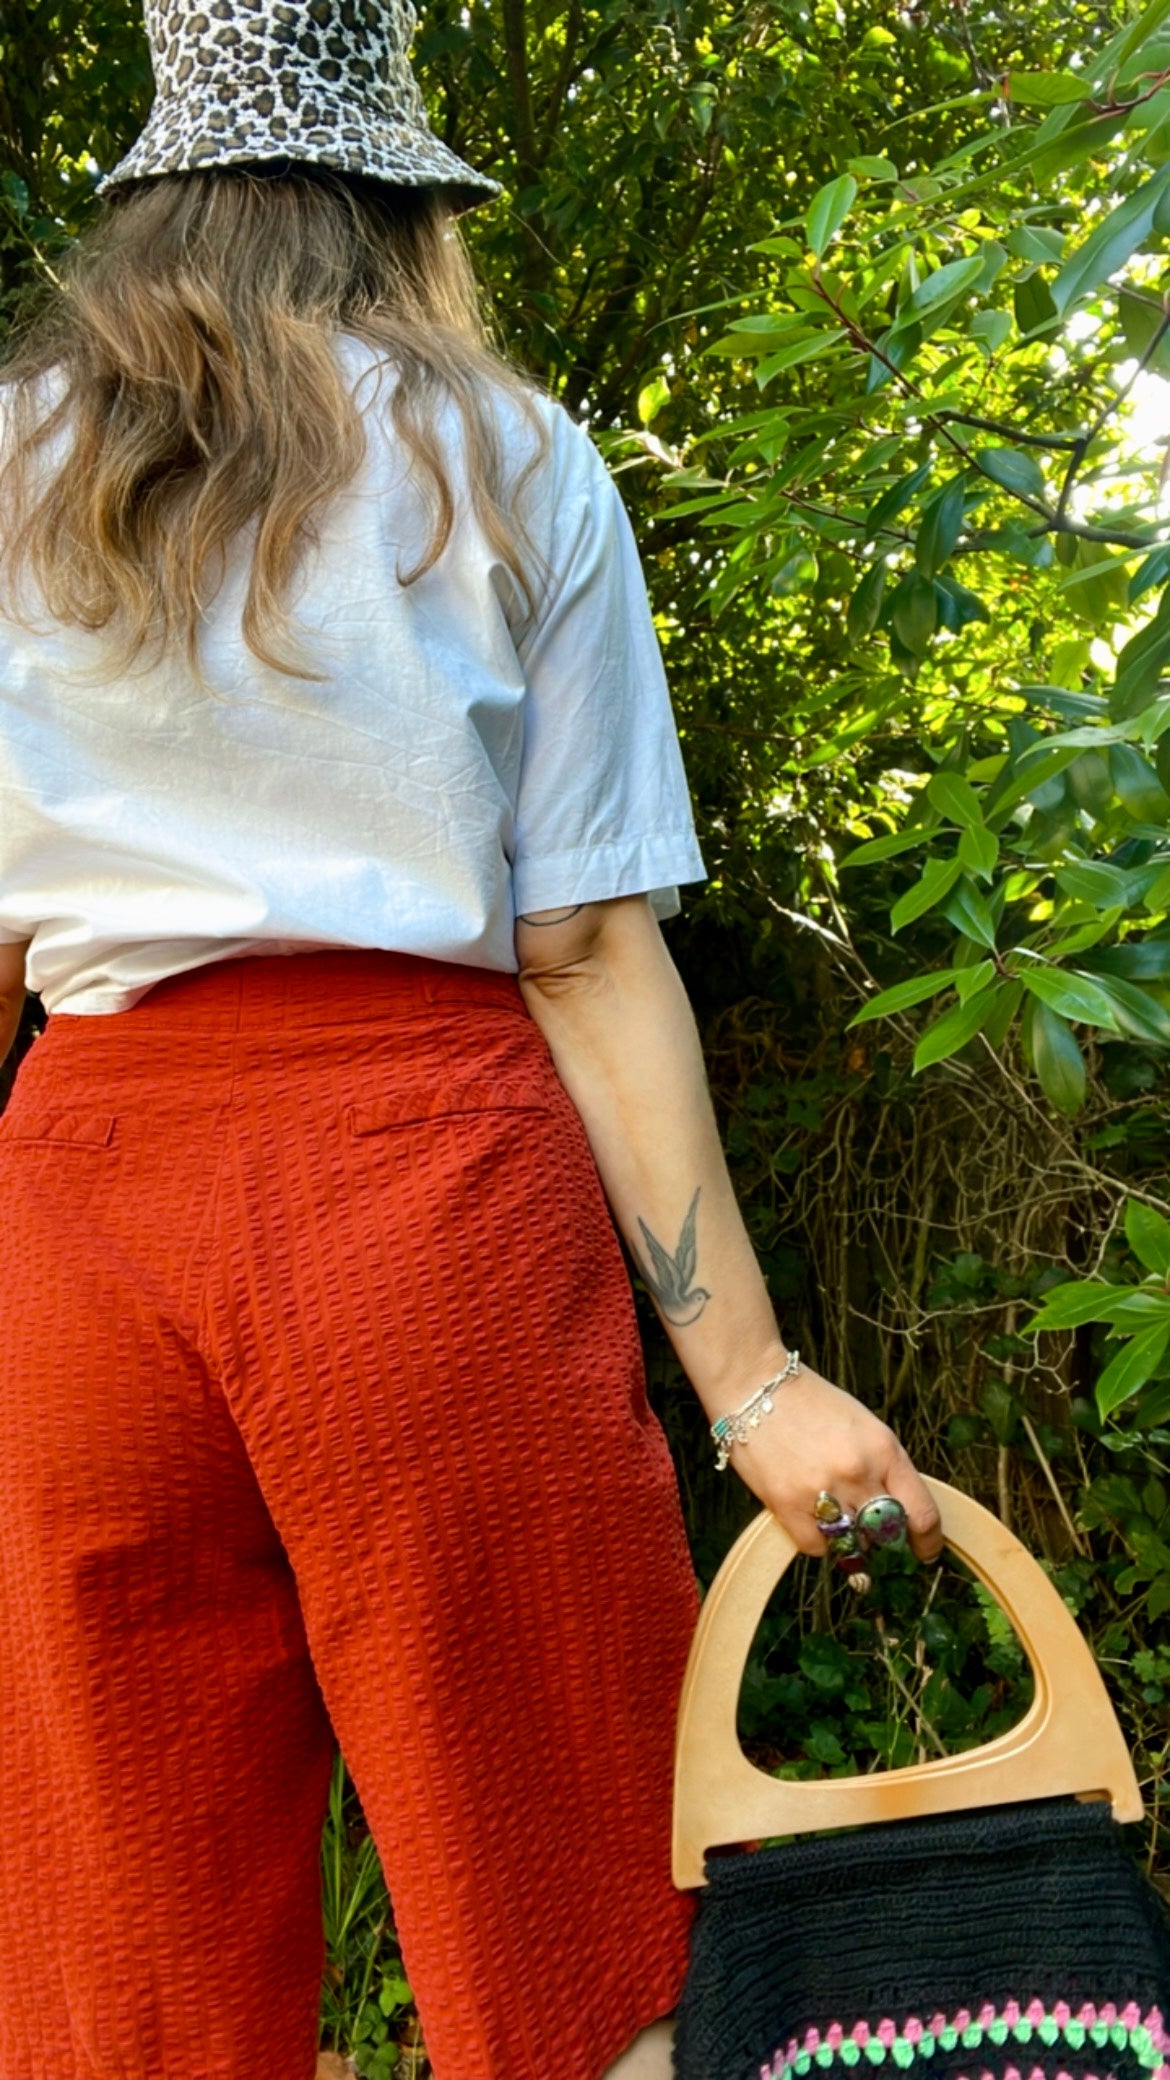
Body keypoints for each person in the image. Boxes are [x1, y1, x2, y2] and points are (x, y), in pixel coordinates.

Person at [0, 4, 943, 2077]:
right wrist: (753, 1383)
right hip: (416, 1199)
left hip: (83, 1217)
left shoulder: (12, 456)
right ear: (395, 192)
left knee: (120, 1958)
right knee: (570, 1904)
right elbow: (584, 943)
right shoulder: (501, 455)